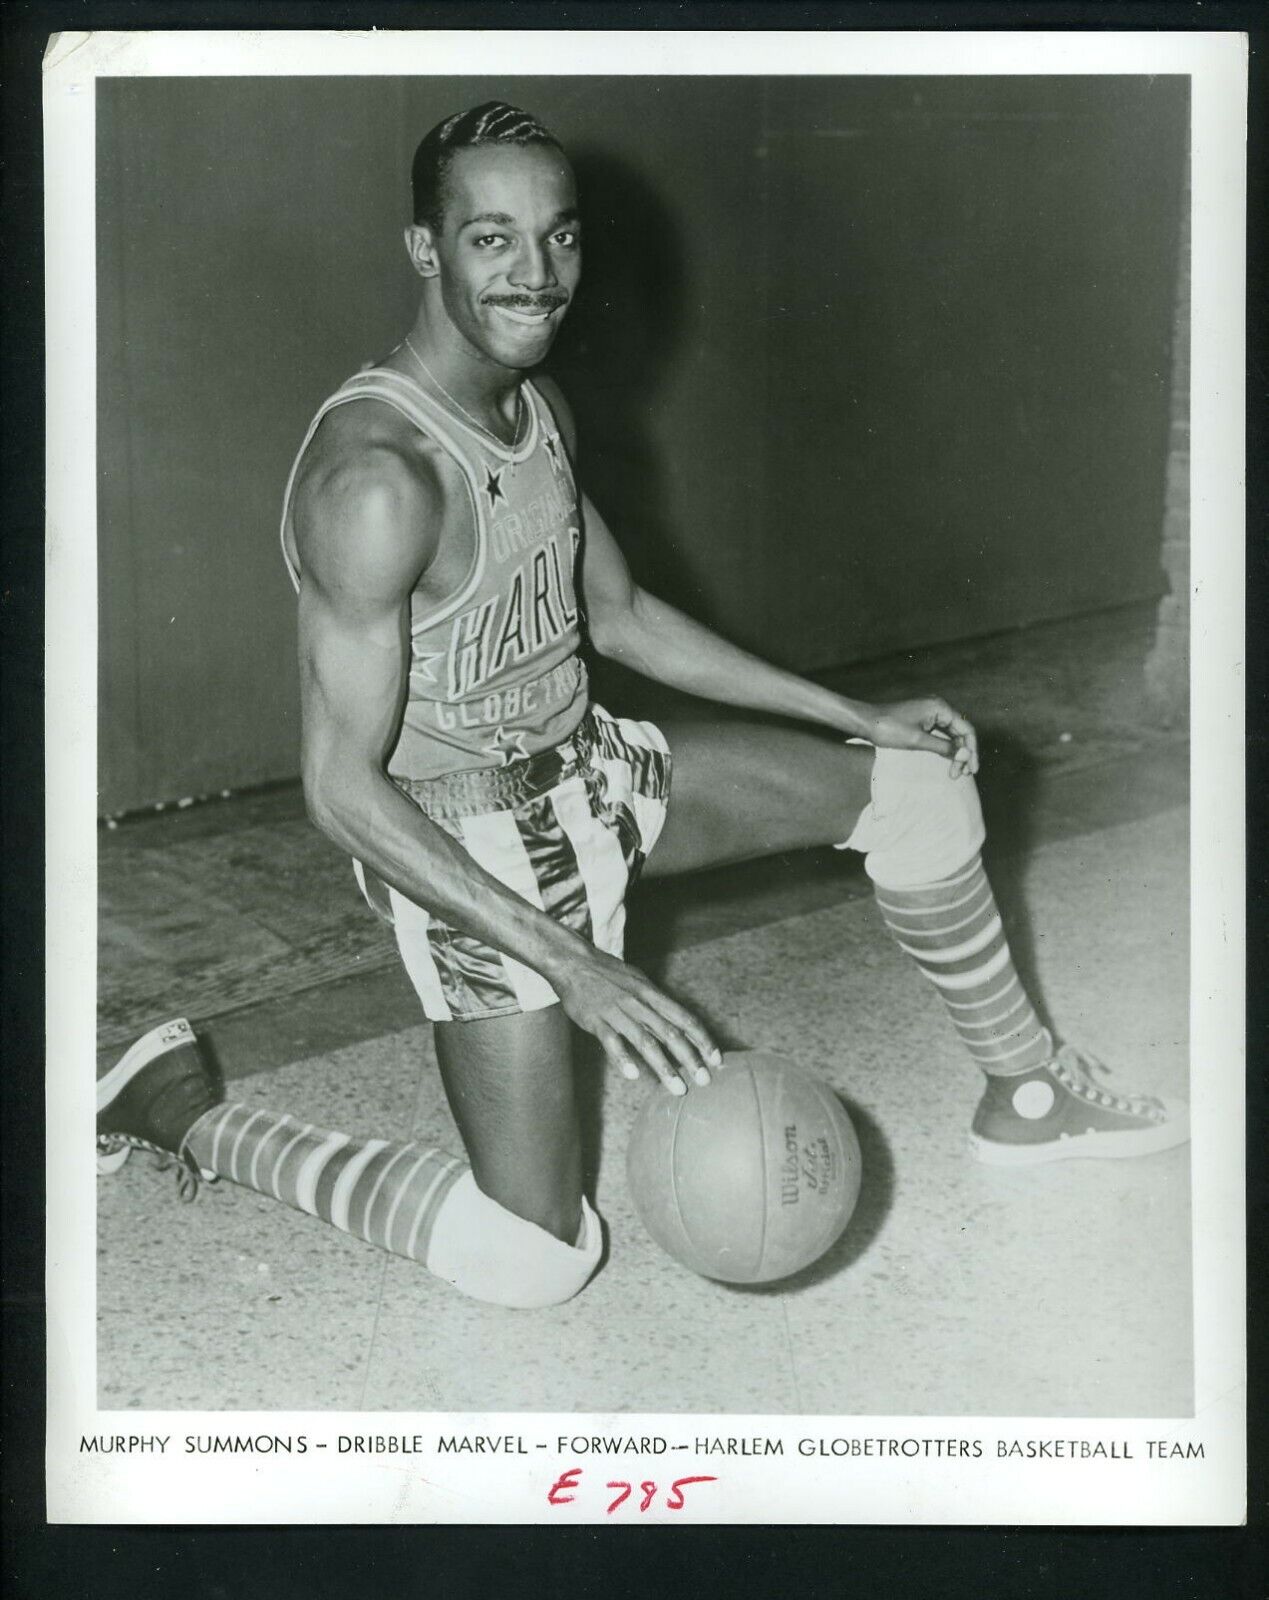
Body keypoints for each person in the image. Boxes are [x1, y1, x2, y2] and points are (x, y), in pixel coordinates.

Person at [97, 102, 1188, 1310]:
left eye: (559, 239)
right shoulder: (378, 480)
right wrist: (580, 966)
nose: (536, 274)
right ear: (426, 250)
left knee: (922, 790)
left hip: (593, 768)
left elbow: (617, 615)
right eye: (491, 240)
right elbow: (340, 789)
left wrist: (858, 715)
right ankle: (181, 1111)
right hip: (463, 847)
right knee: (537, 1259)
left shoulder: (534, 406)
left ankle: (1029, 1095)